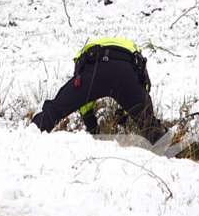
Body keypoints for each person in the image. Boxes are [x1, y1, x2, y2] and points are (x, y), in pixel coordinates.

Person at [32, 37, 167, 144]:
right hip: (126, 72)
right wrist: (125, 114)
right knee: (149, 125)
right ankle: (168, 152)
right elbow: (144, 88)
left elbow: (81, 97)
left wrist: (92, 126)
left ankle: (29, 136)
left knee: (55, 110)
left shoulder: (83, 54)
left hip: (95, 68)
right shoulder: (135, 52)